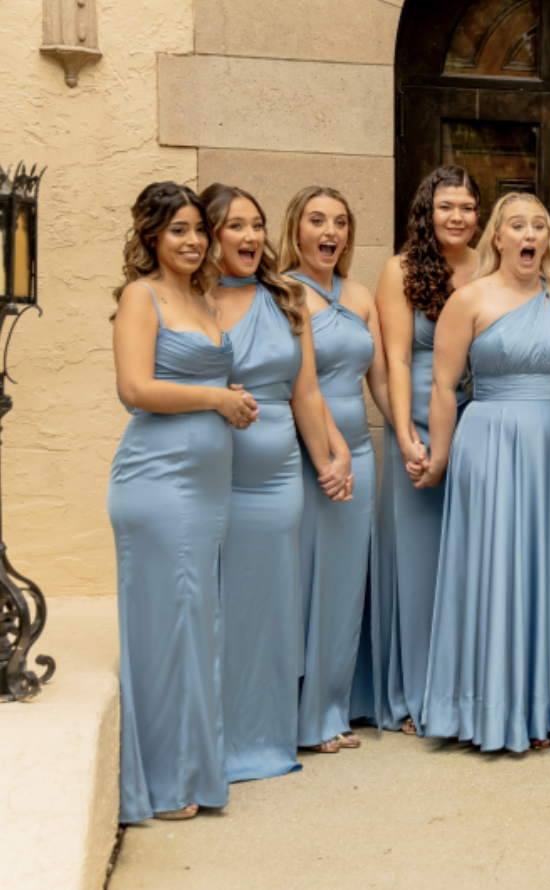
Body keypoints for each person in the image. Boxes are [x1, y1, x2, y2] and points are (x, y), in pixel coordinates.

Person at [416, 193, 550, 751]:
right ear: (497, 238)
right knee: (495, 566)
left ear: (548, 239)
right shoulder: (469, 299)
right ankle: (492, 709)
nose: (529, 235)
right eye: (517, 225)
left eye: (539, 226)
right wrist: (440, 458)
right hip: (490, 446)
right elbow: (443, 387)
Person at [109, 182, 256, 822]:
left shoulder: (202, 298)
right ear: (152, 237)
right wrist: (218, 399)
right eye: (178, 230)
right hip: (156, 480)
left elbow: (203, 378)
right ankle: (164, 783)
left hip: (206, 485)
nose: (194, 241)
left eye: (199, 228)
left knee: (197, 624)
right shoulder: (140, 297)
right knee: (169, 627)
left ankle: (191, 768)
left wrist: (235, 398)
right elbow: (136, 389)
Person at [202, 183, 349, 777]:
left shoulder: (286, 297)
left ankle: (265, 735)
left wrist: (327, 460)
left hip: (279, 476)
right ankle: (213, 736)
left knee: (270, 602)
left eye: (257, 225)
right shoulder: (192, 299)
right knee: (220, 603)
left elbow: (305, 391)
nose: (251, 236)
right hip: (215, 473)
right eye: (236, 225)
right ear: (211, 234)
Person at [369, 166, 479, 734]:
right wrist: (404, 433)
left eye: (467, 207)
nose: (457, 217)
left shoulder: (490, 265)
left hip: (475, 421)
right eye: (446, 207)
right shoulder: (401, 269)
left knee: (469, 560)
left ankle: (466, 684)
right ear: (426, 212)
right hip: (413, 419)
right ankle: (415, 693)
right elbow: (394, 360)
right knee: (419, 563)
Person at [281, 186, 390, 755]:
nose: (330, 232)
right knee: (304, 577)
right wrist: (326, 454)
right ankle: (293, 710)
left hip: (360, 455)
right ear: (295, 230)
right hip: (306, 453)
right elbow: (294, 383)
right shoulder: (281, 293)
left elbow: (381, 380)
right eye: (317, 220)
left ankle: (330, 708)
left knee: (345, 583)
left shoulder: (362, 295)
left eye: (341, 222)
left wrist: (409, 435)